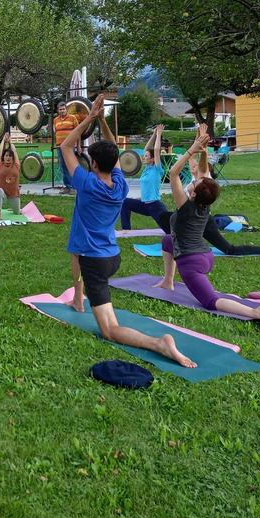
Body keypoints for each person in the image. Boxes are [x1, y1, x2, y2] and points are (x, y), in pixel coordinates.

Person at [61, 94, 197, 368]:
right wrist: (100, 119)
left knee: (110, 330)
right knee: (86, 270)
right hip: (112, 257)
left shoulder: (88, 184)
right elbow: (112, 147)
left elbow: (65, 146)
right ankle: (78, 300)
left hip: (95, 261)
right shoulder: (120, 183)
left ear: (94, 164)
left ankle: (159, 343)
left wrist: (88, 118)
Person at [154, 132, 260, 327]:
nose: (194, 179)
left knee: (210, 302)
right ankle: (167, 281)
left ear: (194, 193)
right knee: (167, 241)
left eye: (195, 182)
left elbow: (173, 174)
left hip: (191, 262)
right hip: (205, 255)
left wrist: (190, 151)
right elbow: (204, 174)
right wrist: (202, 150)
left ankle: (255, 311)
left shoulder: (185, 205)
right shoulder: (206, 202)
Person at [159, 125, 260, 255]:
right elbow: (193, 159)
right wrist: (199, 142)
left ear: (194, 193)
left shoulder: (204, 183)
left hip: (203, 222)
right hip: (194, 218)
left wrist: (199, 151)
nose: (192, 165)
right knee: (165, 216)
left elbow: (179, 171)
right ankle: (176, 238)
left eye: (195, 165)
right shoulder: (202, 187)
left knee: (229, 249)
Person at [120, 124, 169, 229]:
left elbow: (156, 150)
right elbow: (147, 148)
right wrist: (154, 134)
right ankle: (126, 230)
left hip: (155, 206)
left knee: (169, 230)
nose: (144, 157)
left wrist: (159, 134)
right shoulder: (147, 169)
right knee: (125, 202)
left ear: (152, 159)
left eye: (146, 156)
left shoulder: (157, 169)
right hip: (144, 205)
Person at [53, 101, 79, 193]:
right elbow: (56, 133)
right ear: (58, 110)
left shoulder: (72, 118)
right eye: (60, 109)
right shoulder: (55, 120)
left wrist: (78, 147)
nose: (62, 111)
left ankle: (72, 187)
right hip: (60, 147)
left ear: (66, 109)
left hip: (69, 147)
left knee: (70, 166)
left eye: (63, 109)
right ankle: (68, 187)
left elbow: (78, 133)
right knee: (63, 166)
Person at [0, 132, 20, 220]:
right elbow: (0, 151)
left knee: (17, 213)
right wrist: (3, 140)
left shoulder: (16, 165)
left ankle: (12, 207)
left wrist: (10, 141)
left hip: (13, 195)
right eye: (6, 156)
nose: (8, 157)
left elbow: (15, 151)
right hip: (3, 194)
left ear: (12, 158)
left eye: (10, 156)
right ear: (3, 157)